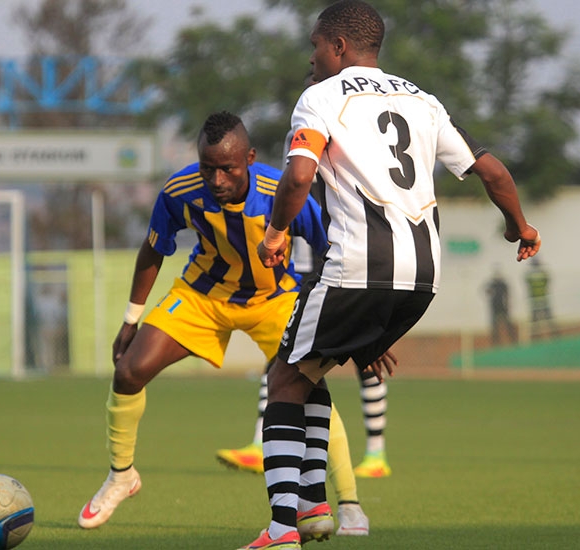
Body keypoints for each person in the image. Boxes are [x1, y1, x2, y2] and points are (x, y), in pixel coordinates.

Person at [241, 2, 541, 548]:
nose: (310, 58)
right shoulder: (423, 101)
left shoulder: (321, 97)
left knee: (283, 378)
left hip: (359, 266)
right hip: (422, 279)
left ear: (337, 46)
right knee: (310, 371)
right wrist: (520, 226)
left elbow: (299, 175)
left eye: (315, 45)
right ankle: (311, 509)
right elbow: (492, 171)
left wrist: (276, 232)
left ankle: (283, 526)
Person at [77, 111, 370, 535]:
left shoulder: (281, 191)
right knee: (128, 371)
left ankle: (349, 504)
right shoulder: (180, 191)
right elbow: (153, 251)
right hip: (203, 297)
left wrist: (339, 313)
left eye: (227, 169)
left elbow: (329, 247)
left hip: (274, 299)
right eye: (207, 167)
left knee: (310, 389)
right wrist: (130, 321)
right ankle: (122, 476)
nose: (216, 180)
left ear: (249, 158)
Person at [217, 76, 392, 480]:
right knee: (285, 360)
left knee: (366, 359)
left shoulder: (348, 167)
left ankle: (376, 454)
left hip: (349, 272)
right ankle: (264, 441)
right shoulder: (299, 161)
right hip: (307, 278)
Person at [525, 257, 557, 339]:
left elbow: (527, 284)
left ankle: (536, 337)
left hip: (536, 299)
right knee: (546, 319)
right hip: (542, 298)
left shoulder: (529, 275)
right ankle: (554, 335)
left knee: (537, 320)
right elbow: (547, 282)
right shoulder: (543, 273)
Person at [485, 267, 517, 345]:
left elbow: (507, 295)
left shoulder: (503, 284)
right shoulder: (491, 284)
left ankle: (513, 339)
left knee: (507, 324)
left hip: (502, 307)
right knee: (495, 326)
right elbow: (486, 291)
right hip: (495, 307)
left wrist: (507, 304)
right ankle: (496, 341)